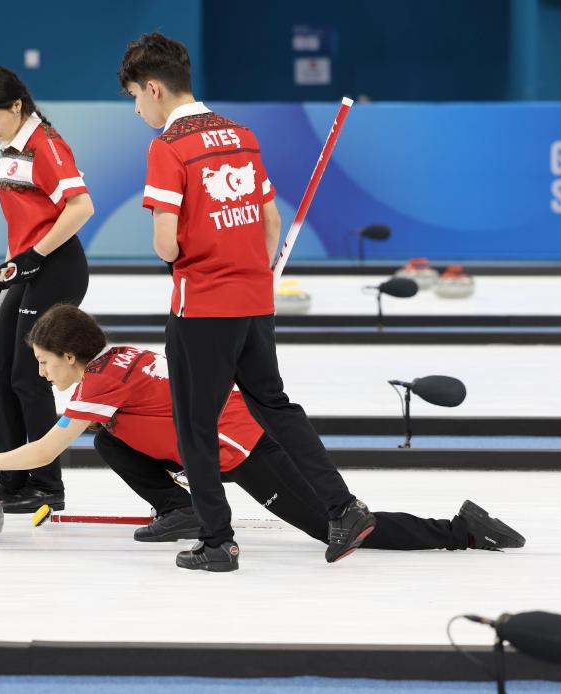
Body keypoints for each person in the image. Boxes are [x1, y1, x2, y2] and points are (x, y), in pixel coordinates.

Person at [0, 305, 526, 565]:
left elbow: (48, 449)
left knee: (338, 528)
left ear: (71, 356)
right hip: (221, 441)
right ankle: (181, 510)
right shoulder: (119, 358)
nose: (42, 373)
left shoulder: (101, 383)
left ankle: (461, 531)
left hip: (247, 449)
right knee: (108, 438)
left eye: (45, 362)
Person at [117, 33, 373, 570]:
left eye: (135, 96)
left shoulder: (167, 147)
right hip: (255, 300)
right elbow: (270, 221)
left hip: (202, 307)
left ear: (154, 88)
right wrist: (250, 272)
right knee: (274, 406)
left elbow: (166, 244)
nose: (136, 108)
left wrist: (194, 257)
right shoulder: (241, 135)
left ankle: (218, 542)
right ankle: (344, 507)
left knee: (194, 426)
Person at [0, 64, 93, 513]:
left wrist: (34, 255)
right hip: (29, 267)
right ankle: (12, 477)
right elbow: (21, 218)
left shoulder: (46, 143)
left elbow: (81, 207)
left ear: (17, 105)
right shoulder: (10, 147)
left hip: (57, 267)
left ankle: (46, 484)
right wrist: (11, 265)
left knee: (26, 374)